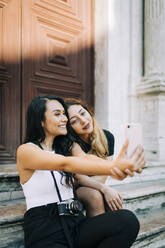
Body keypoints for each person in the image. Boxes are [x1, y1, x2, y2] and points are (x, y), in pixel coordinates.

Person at [17, 95, 145, 248]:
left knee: (126, 221)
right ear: (41, 121)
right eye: (57, 114)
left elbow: (85, 158)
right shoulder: (26, 151)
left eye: (64, 114)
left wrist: (117, 166)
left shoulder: (67, 145)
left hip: (76, 223)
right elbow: (66, 164)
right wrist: (112, 167)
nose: (64, 118)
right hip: (45, 227)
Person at [65, 98, 142, 217]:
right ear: (69, 128)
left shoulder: (107, 137)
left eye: (83, 113)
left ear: (89, 112)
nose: (83, 120)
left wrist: (102, 188)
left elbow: (104, 175)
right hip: (73, 188)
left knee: (113, 200)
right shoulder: (70, 143)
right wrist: (105, 189)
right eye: (74, 121)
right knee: (95, 195)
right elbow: (79, 179)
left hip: (93, 184)